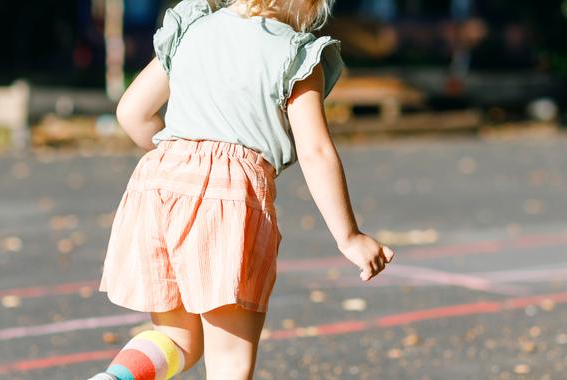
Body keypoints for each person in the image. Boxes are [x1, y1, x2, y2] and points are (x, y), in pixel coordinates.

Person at [89, 0, 395, 379]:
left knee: (177, 338)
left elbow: (132, 113)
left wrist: (182, 158)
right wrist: (349, 237)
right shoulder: (295, 54)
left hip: (158, 182)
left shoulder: (191, 27)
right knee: (230, 360)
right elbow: (315, 151)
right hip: (228, 196)